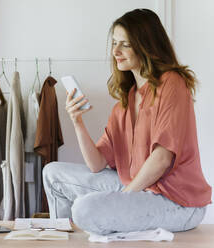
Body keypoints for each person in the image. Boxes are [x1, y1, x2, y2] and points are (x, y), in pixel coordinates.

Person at [43, 8, 212, 235]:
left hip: (175, 202)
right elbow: (97, 164)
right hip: (138, 189)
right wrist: (77, 121)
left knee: (84, 208)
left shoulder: (172, 83)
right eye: (114, 43)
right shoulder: (127, 100)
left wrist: (120, 200)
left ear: (146, 45)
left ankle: (103, 217)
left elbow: (162, 159)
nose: (115, 51)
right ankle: (60, 235)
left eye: (125, 44)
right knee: (52, 173)